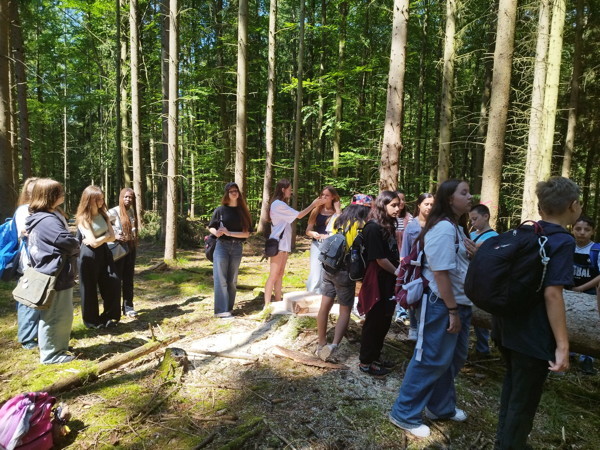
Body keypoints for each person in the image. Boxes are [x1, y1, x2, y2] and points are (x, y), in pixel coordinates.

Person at [493, 176, 581, 449]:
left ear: (541, 207)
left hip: (505, 327)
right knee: (524, 400)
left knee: (513, 388)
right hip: (532, 336)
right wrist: (563, 346)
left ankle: (504, 441)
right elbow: (552, 294)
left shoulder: (526, 233)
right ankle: (511, 444)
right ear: (574, 206)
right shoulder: (563, 241)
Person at [389, 179, 474, 438]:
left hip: (458, 304)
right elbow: (440, 273)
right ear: (449, 199)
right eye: (464, 193)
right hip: (441, 304)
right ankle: (404, 413)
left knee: (451, 359)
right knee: (430, 359)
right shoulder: (444, 228)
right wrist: (452, 311)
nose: (470, 197)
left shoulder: (456, 227)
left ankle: (441, 407)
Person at [25, 178, 80, 364]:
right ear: (50, 196)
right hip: (56, 275)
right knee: (57, 315)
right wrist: (76, 245)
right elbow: (69, 242)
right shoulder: (47, 220)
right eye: (59, 192)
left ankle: (57, 347)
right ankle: (52, 355)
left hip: (51, 273)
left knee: (57, 314)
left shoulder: (40, 217)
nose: (63, 194)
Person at [315, 194, 372, 361]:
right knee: (345, 310)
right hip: (346, 271)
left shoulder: (338, 220)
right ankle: (334, 346)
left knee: (324, 305)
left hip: (329, 267)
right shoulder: (363, 225)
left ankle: (321, 343)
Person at [357, 191, 401, 377]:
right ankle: (366, 362)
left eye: (399, 205)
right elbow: (379, 259)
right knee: (374, 320)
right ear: (383, 205)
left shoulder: (386, 226)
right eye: (393, 205)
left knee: (384, 320)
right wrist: (399, 273)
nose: (398, 209)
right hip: (377, 281)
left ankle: (375, 357)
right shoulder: (373, 228)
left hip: (388, 280)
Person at [263, 179, 325, 306]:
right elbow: (300, 215)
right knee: (273, 275)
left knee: (280, 274)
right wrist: (313, 205)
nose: (291, 192)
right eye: (289, 189)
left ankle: (278, 302)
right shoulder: (278, 204)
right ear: (283, 189)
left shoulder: (281, 204)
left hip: (283, 244)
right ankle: (267, 305)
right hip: (278, 244)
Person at [76, 186, 121, 329]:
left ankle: (110, 316)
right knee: (89, 288)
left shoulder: (104, 214)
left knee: (113, 281)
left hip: (104, 252)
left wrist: (103, 238)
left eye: (102, 198)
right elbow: (93, 243)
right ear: (89, 200)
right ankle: (92, 321)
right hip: (88, 255)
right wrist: (105, 236)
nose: (101, 202)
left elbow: (112, 237)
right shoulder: (83, 218)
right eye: (98, 199)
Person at [208, 182, 253, 318]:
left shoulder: (243, 211)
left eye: (236, 191)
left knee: (232, 280)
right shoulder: (220, 210)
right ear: (227, 194)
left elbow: (246, 234)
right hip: (221, 246)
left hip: (237, 247)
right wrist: (216, 233)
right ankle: (221, 311)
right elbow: (211, 226)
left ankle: (228, 309)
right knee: (220, 279)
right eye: (231, 191)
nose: (234, 193)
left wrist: (229, 233)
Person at [396, 193, 434, 340]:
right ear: (419, 205)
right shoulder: (412, 226)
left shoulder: (436, 225)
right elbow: (405, 251)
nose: (429, 207)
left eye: (432, 204)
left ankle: (425, 330)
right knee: (413, 295)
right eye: (426, 204)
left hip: (431, 268)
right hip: (414, 268)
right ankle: (413, 326)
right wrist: (404, 269)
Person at [566, 215, 599, 375]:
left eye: (587, 229)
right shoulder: (567, 247)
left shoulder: (596, 250)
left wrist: (582, 288)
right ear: (572, 230)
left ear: (593, 231)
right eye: (578, 229)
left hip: (590, 293)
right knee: (568, 320)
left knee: (591, 323)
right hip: (569, 291)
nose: (582, 232)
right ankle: (570, 351)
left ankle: (587, 358)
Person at [13, 178, 40, 350]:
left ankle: (35, 332)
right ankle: (27, 338)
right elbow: (25, 232)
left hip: (39, 260)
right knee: (27, 299)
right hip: (29, 262)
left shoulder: (40, 209)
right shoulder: (24, 210)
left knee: (37, 297)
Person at [468, 204, 498, 357]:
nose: (473, 223)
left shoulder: (494, 237)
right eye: (471, 220)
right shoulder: (471, 234)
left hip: (482, 280)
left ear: (486, 216)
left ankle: (483, 348)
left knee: (481, 313)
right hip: (468, 279)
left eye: (475, 219)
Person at [108, 188, 139, 318]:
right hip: (119, 250)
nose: (128, 199)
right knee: (116, 280)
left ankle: (128, 307)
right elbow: (101, 226)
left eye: (130, 197)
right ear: (121, 198)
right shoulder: (113, 212)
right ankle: (113, 309)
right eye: (125, 197)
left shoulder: (131, 211)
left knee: (128, 279)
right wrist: (114, 236)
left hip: (130, 249)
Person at [305, 186, 341, 294]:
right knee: (315, 271)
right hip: (317, 243)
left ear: (333, 197)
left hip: (331, 244)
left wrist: (338, 210)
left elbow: (341, 227)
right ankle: (312, 294)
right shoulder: (316, 210)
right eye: (322, 195)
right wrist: (312, 233)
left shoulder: (337, 212)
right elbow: (308, 230)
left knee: (328, 271)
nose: (324, 197)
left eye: (327, 195)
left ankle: (325, 295)